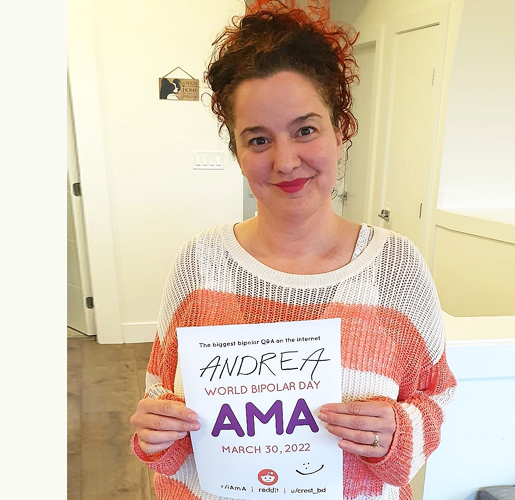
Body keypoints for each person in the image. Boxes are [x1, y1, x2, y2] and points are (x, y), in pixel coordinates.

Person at [130, 6, 457, 500]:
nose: (285, 161)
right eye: (258, 139)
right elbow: (163, 402)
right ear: (238, 152)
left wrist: (400, 432)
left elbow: (437, 397)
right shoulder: (199, 265)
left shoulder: (397, 268)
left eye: (305, 130)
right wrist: (157, 433)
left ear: (340, 127)